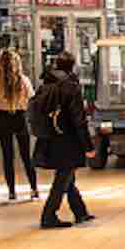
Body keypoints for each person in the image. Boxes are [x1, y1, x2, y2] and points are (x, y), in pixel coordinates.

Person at [33, 52, 96, 229]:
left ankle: (80, 211)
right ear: (73, 66)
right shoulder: (71, 87)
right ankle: (48, 215)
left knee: (67, 175)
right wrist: (88, 146)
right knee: (62, 178)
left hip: (49, 137)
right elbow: (79, 119)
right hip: (68, 139)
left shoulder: (46, 85)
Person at [0, 49, 39, 202]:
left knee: (7, 156)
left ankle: (11, 192)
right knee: (26, 156)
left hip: (3, 118)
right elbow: (32, 98)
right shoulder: (23, 80)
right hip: (20, 117)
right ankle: (34, 188)